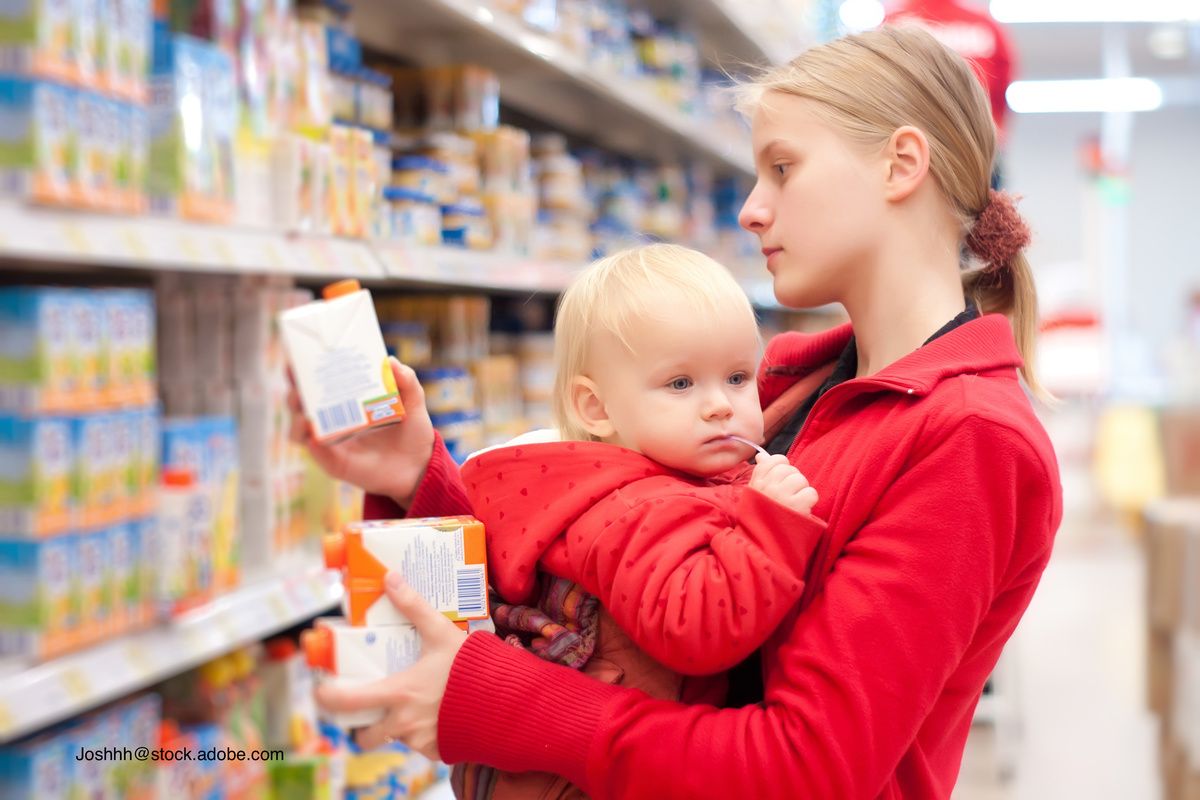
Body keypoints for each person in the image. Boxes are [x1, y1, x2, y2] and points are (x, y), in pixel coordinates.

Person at [301, 25, 1062, 800]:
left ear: (900, 164)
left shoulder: (968, 438)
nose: (752, 210)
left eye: (783, 168)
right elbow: (595, 563)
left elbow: (806, 769)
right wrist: (418, 481)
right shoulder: (779, 389)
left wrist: (496, 703)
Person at [453, 243, 824, 799]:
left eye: (739, 377)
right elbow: (697, 631)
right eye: (680, 384)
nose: (720, 405)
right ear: (596, 409)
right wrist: (770, 525)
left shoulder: (645, 479)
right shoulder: (635, 507)